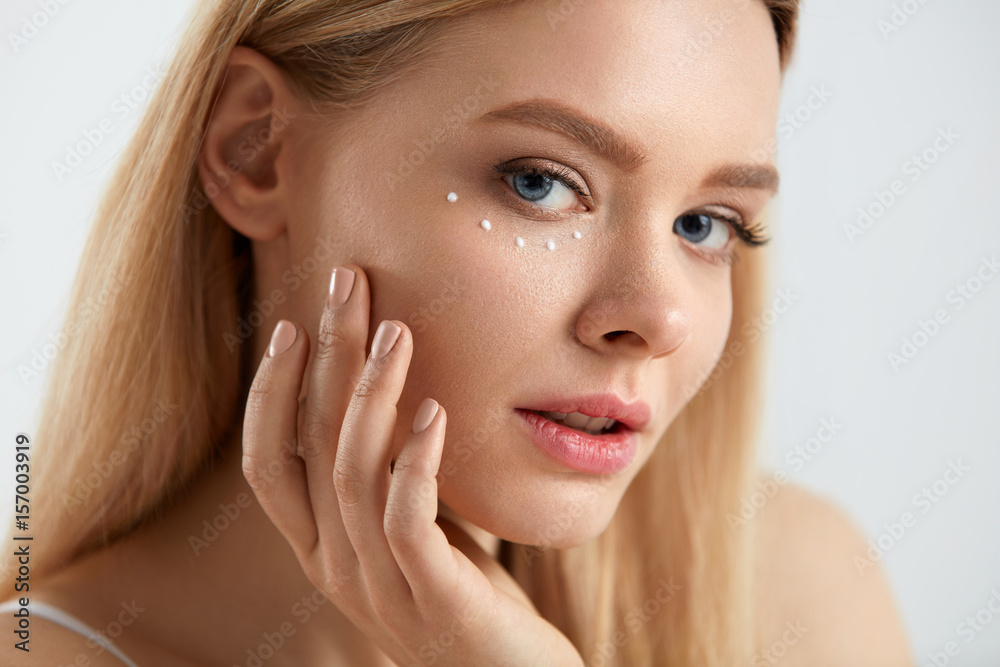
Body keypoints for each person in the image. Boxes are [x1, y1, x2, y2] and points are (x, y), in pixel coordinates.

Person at [1, 0, 914, 664]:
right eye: (540, 182)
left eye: (706, 224)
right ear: (259, 149)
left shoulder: (797, 589)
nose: (658, 316)